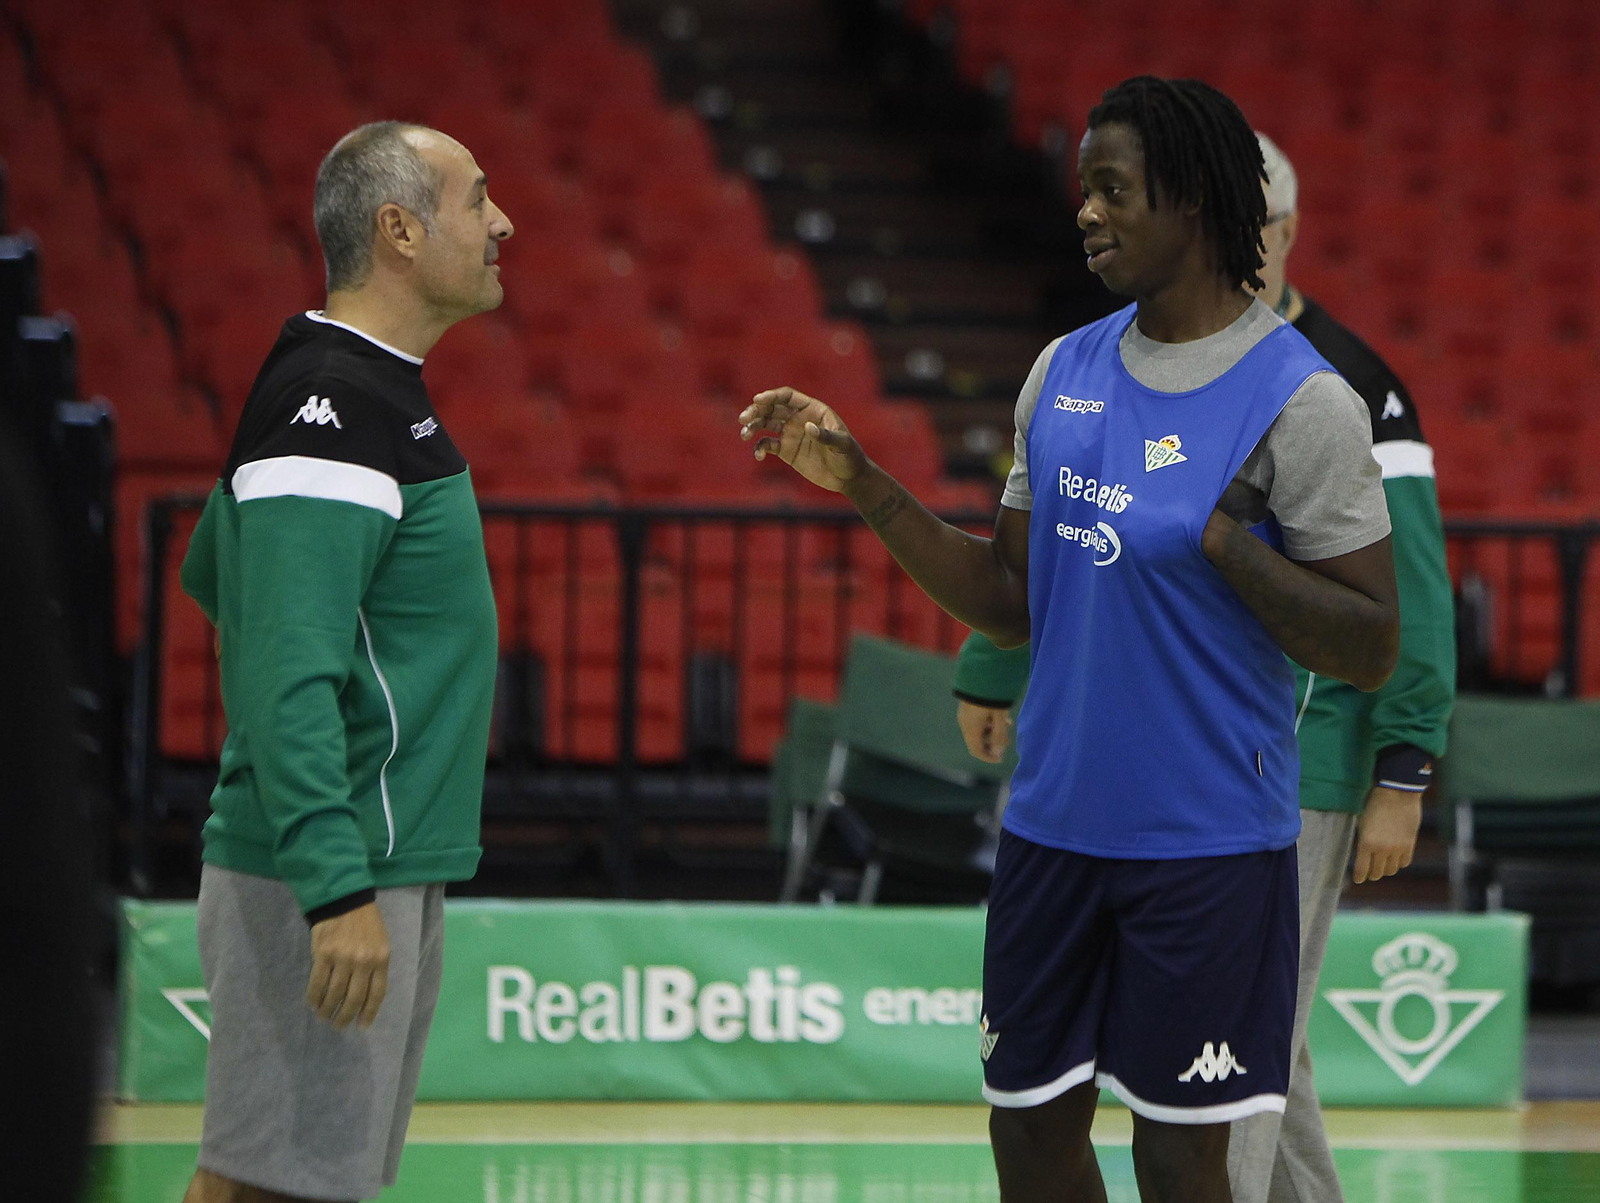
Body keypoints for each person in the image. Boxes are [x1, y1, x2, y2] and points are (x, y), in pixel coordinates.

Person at [741, 76, 1399, 1203]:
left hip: (1208, 845)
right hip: (1051, 832)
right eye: (1082, 190)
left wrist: (1232, 547)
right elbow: (1010, 598)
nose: (1085, 213)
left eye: (1112, 189)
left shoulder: (1305, 402)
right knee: (1030, 1137)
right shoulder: (1064, 371)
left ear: (1191, 199)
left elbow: (1369, 643)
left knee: (1179, 1155)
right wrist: (860, 483)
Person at [950, 130, 1457, 1203]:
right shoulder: (1085, 363)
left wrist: (1403, 767)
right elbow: (1063, 553)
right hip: (1097, 793)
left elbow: (1402, 604)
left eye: (1269, 224)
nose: (1256, 243)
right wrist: (989, 672)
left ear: (1278, 228)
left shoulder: (1343, 387)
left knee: (1226, 1097)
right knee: (1264, 1061)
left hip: (1279, 777)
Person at [177, 122, 512, 1203]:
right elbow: (283, 662)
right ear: (400, 230)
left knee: (284, 1184)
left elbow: (212, 573)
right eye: (475, 200)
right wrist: (333, 886)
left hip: (371, 855)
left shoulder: (365, 392)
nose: (502, 223)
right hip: (328, 868)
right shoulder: (333, 406)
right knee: (275, 1188)